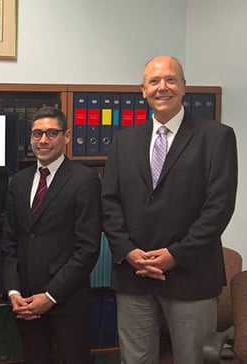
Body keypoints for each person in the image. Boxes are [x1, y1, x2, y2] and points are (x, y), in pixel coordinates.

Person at [102, 55, 238, 363]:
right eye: (154, 81)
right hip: (134, 274)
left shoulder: (216, 137)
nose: (162, 87)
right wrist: (129, 251)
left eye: (170, 80)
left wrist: (175, 255)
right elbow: (109, 203)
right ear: (143, 90)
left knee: (191, 359)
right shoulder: (124, 141)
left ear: (184, 86)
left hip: (191, 274)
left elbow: (219, 208)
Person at [0, 106, 101, 363]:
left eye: (51, 133)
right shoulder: (19, 182)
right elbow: (9, 242)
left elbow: (87, 249)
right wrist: (13, 292)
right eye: (37, 134)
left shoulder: (84, 180)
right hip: (25, 301)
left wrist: (51, 296)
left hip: (66, 300)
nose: (43, 140)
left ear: (66, 136)